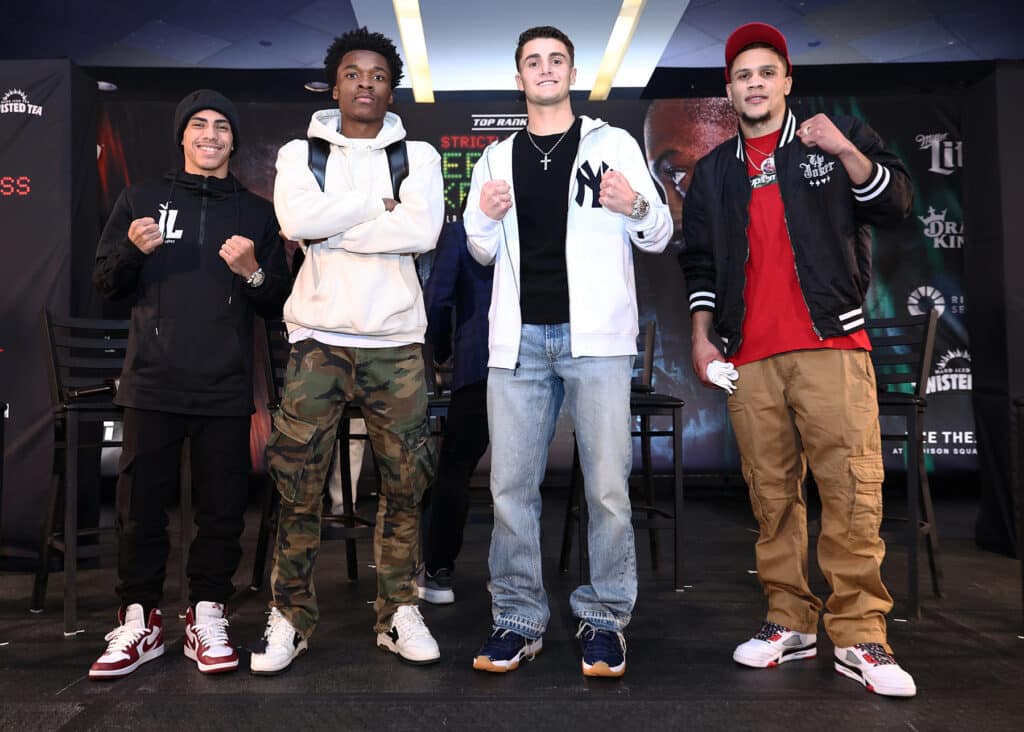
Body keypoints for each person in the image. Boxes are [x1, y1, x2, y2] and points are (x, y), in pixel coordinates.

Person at [678, 22, 918, 697]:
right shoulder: (715, 170)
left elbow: (896, 202)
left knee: (850, 490)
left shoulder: (830, 138)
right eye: (742, 76)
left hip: (830, 344)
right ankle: (789, 618)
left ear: (787, 80)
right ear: (728, 91)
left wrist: (846, 150)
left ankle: (861, 632)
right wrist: (702, 337)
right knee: (771, 496)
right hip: (747, 357)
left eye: (766, 72)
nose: (754, 84)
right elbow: (698, 261)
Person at [463, 26, 671, 678]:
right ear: (520, 76)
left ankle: (605, 619)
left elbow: (659, 232)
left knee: (607, 488)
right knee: (509, 488)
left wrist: (632, 201)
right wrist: (486, 218)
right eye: (534, 61)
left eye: (556, 60)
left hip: (597, 341)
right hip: (519, 342)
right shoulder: (495, 158)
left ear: (572, 72)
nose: (545, 69)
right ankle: (517, 619)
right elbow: (477, 247)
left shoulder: (612, 144)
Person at [250, 27, 444, 675]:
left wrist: (335, 227)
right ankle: (290, 617)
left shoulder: (417, 154)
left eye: (380, 75)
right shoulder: (298, 153)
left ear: (393, 88)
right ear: (335, 86)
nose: (367, 83)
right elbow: (298, 224)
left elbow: (421, 229)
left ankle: (397, 612)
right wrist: (370, 209)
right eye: (354, 74)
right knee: (298, 484)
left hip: (396, 343)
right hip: (318, 340)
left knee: (405, 484)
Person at [89, 89, 289, 679]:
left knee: (223, 509)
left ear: (234, 139)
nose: (210, 134)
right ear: (182, 135)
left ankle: (207, 612)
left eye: (222, 126)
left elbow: (276, 300)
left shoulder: (256, 212)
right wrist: (130, 253)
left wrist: (252, 270)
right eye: (198, 124)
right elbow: (105, 284)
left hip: (225, 384)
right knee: (140, 510)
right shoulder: (141, 198)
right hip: (151, 382)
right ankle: (140, 618)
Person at [417, 216, 493, 605]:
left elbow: (437, 299)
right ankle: (520, 582)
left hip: (479, 363)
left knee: (455, 467)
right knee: (521, 479)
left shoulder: (462, 230)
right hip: (537, 367)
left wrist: (444, 350)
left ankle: (438, 569)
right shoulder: (541, 215)